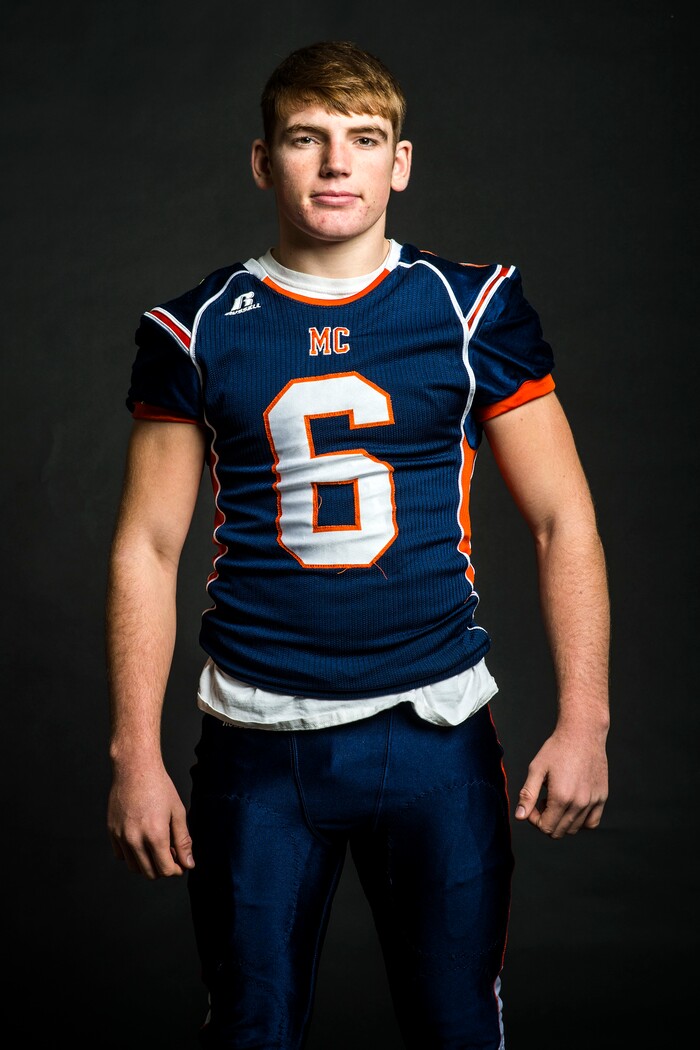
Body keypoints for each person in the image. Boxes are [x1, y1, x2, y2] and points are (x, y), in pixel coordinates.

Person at [106, 39, 610, 1050]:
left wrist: (586, 719)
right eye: (306, 138)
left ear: (399, 162)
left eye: (362, 139)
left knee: (459, 1029)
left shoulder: (469, 311)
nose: (336, 164)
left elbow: (564, 519)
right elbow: (146, 548)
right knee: (249, 1031)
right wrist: (135, 755)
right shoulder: (197, 328)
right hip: (254, 740)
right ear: (263, 161)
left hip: (433, 732)